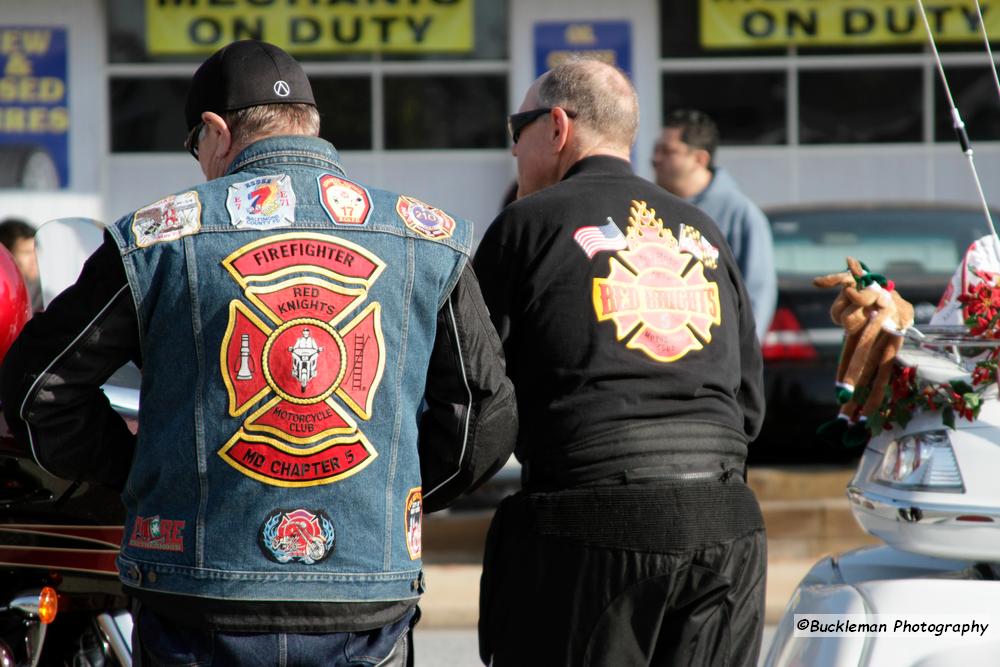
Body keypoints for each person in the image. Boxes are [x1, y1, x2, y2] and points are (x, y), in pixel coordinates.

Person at [1, 39, 517, 666]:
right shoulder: (425, 237)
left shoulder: (156, 239)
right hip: (364, 601)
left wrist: (141, 471)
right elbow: (486, 416)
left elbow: (37, 388)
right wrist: (391, 492)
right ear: (311, 123)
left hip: (197, 592)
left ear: (215, 131)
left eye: (196, 147)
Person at [474, 60, 766, 666]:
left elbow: (471, 394)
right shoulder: (703, 232)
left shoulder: (524, 227)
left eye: (516, 129)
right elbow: (747, 405)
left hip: (593, 526)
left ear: (556, 127)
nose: (512, 150)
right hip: (728, 525)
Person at [652, 109, 777, 340]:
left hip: (716, 362)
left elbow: (758, 296)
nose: (655, 159)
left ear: (700, 159)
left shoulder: (739, 214)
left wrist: (740, 362)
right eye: (656, 150)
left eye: (668, 151)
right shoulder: (650, 209)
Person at [0, 218, 42, 311]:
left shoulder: (43, 295)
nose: (34, 259)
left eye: (35, 251)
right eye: (26, 252)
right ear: (6, 256)